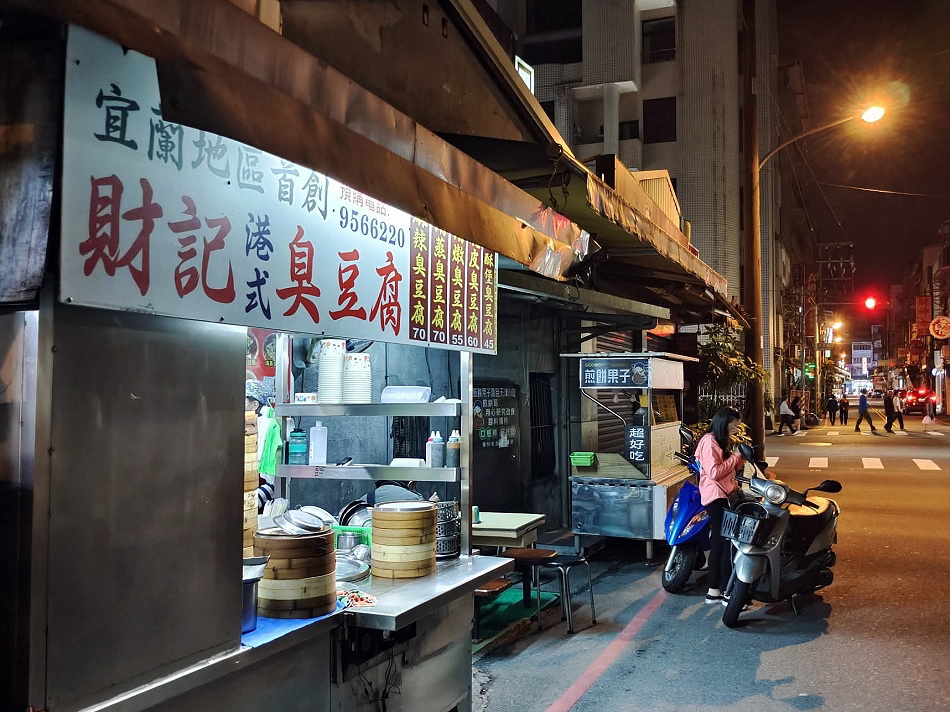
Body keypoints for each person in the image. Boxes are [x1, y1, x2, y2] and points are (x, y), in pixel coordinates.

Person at [696, 407, 747, 605]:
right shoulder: (709, 441)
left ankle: (714, 591)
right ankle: (725, 591)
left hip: (723, 495)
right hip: (716, 497)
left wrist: (739, 458)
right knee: (725, 543)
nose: (735, 430)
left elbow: (727, 470)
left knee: (720, 542)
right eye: (733, 426)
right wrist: (735, 457)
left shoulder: (718, 440)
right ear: (723, 423)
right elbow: (715, 472)